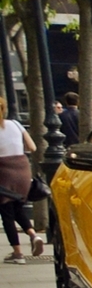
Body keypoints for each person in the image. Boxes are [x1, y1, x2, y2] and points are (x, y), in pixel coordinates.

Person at [0, 108, 36, 263]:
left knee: (6, 212)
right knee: (18, 207)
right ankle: (33, 235)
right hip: (22, 169)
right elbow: (32, 147)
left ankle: (18, 253)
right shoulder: (15, 123)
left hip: (4, 172)